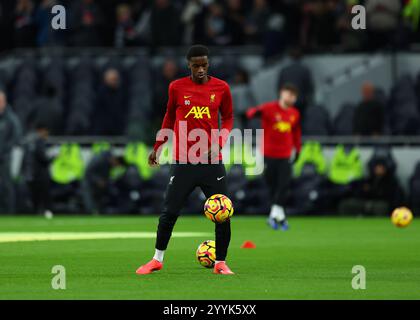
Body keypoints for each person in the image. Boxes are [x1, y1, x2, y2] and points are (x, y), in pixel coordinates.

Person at [136, 45, 234, 275]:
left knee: (223, 212)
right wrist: (158, 147)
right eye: (196, 65)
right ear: (188, 65)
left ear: (208, 64)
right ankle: (156, 259)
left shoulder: (221, 88)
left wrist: (219, 141)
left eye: (204, 65)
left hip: (212, 162)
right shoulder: (177, 87)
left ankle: (220, 263)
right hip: (183, 160)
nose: (201, 69)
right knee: (169, 212)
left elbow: (228, 117)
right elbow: (169, 117)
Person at [245, 84, 301, 230]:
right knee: (272, 186)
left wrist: (298, 150)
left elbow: (296, 133)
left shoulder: (295, 113)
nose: (291, 98)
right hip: (269, 154)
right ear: (282, 94)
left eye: (294, 96)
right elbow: (251, 113)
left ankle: (273, 215)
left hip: (285, 154)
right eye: (289, 94)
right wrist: (254, 113)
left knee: (284, 184)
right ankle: (280, 217)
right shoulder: (269, 108)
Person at [21, 122, 53, 217]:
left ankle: (35, 212)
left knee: (34, 196)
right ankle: (46, 211)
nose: (47, 134)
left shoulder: (29, 140)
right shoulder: (39, 140)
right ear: (42, 130)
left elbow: (25, 158)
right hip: (40, 174)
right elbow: (43, 157)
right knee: (44, 195)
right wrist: (53, 158)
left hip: (30, 174)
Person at [0, 91, 22, 214]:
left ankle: (9, 211)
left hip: (5, 157)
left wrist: (5, 150)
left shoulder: (11, 119)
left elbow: (16, 137)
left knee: (7, 185)